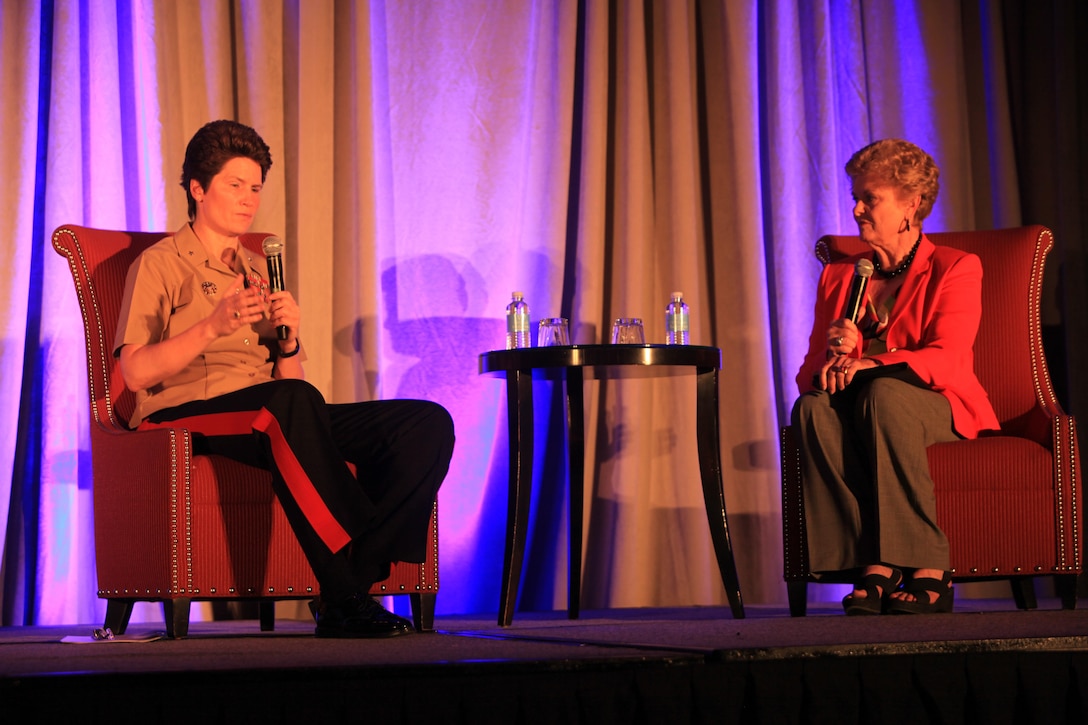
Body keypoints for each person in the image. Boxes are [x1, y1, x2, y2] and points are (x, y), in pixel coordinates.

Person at [114, 119, 455, 637]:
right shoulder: (159, 265)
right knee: (291, 402)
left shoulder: (257, 268)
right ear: (198, 189)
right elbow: (134, 372)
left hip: (271, 409)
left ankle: (349, 582)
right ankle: (346, 592)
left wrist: (289, 340)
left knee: (423, 423)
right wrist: (212, 326)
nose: (249, 199)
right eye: (235, 185)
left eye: (256, 188)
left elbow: (291, 380)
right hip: (188, 414)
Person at [792, 139, 999, 615]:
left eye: (871, 198)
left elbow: (948, 359)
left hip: (937, 401)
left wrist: (869, 363)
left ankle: (928, 566)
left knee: (884, 394)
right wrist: (833, 357)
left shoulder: (955, 267)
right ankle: (865, 560)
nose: (857, 208)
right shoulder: (843, 276)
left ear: (911, 204)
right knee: (811, 410)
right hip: (863, 398)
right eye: (856, 196)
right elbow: (809, 373)